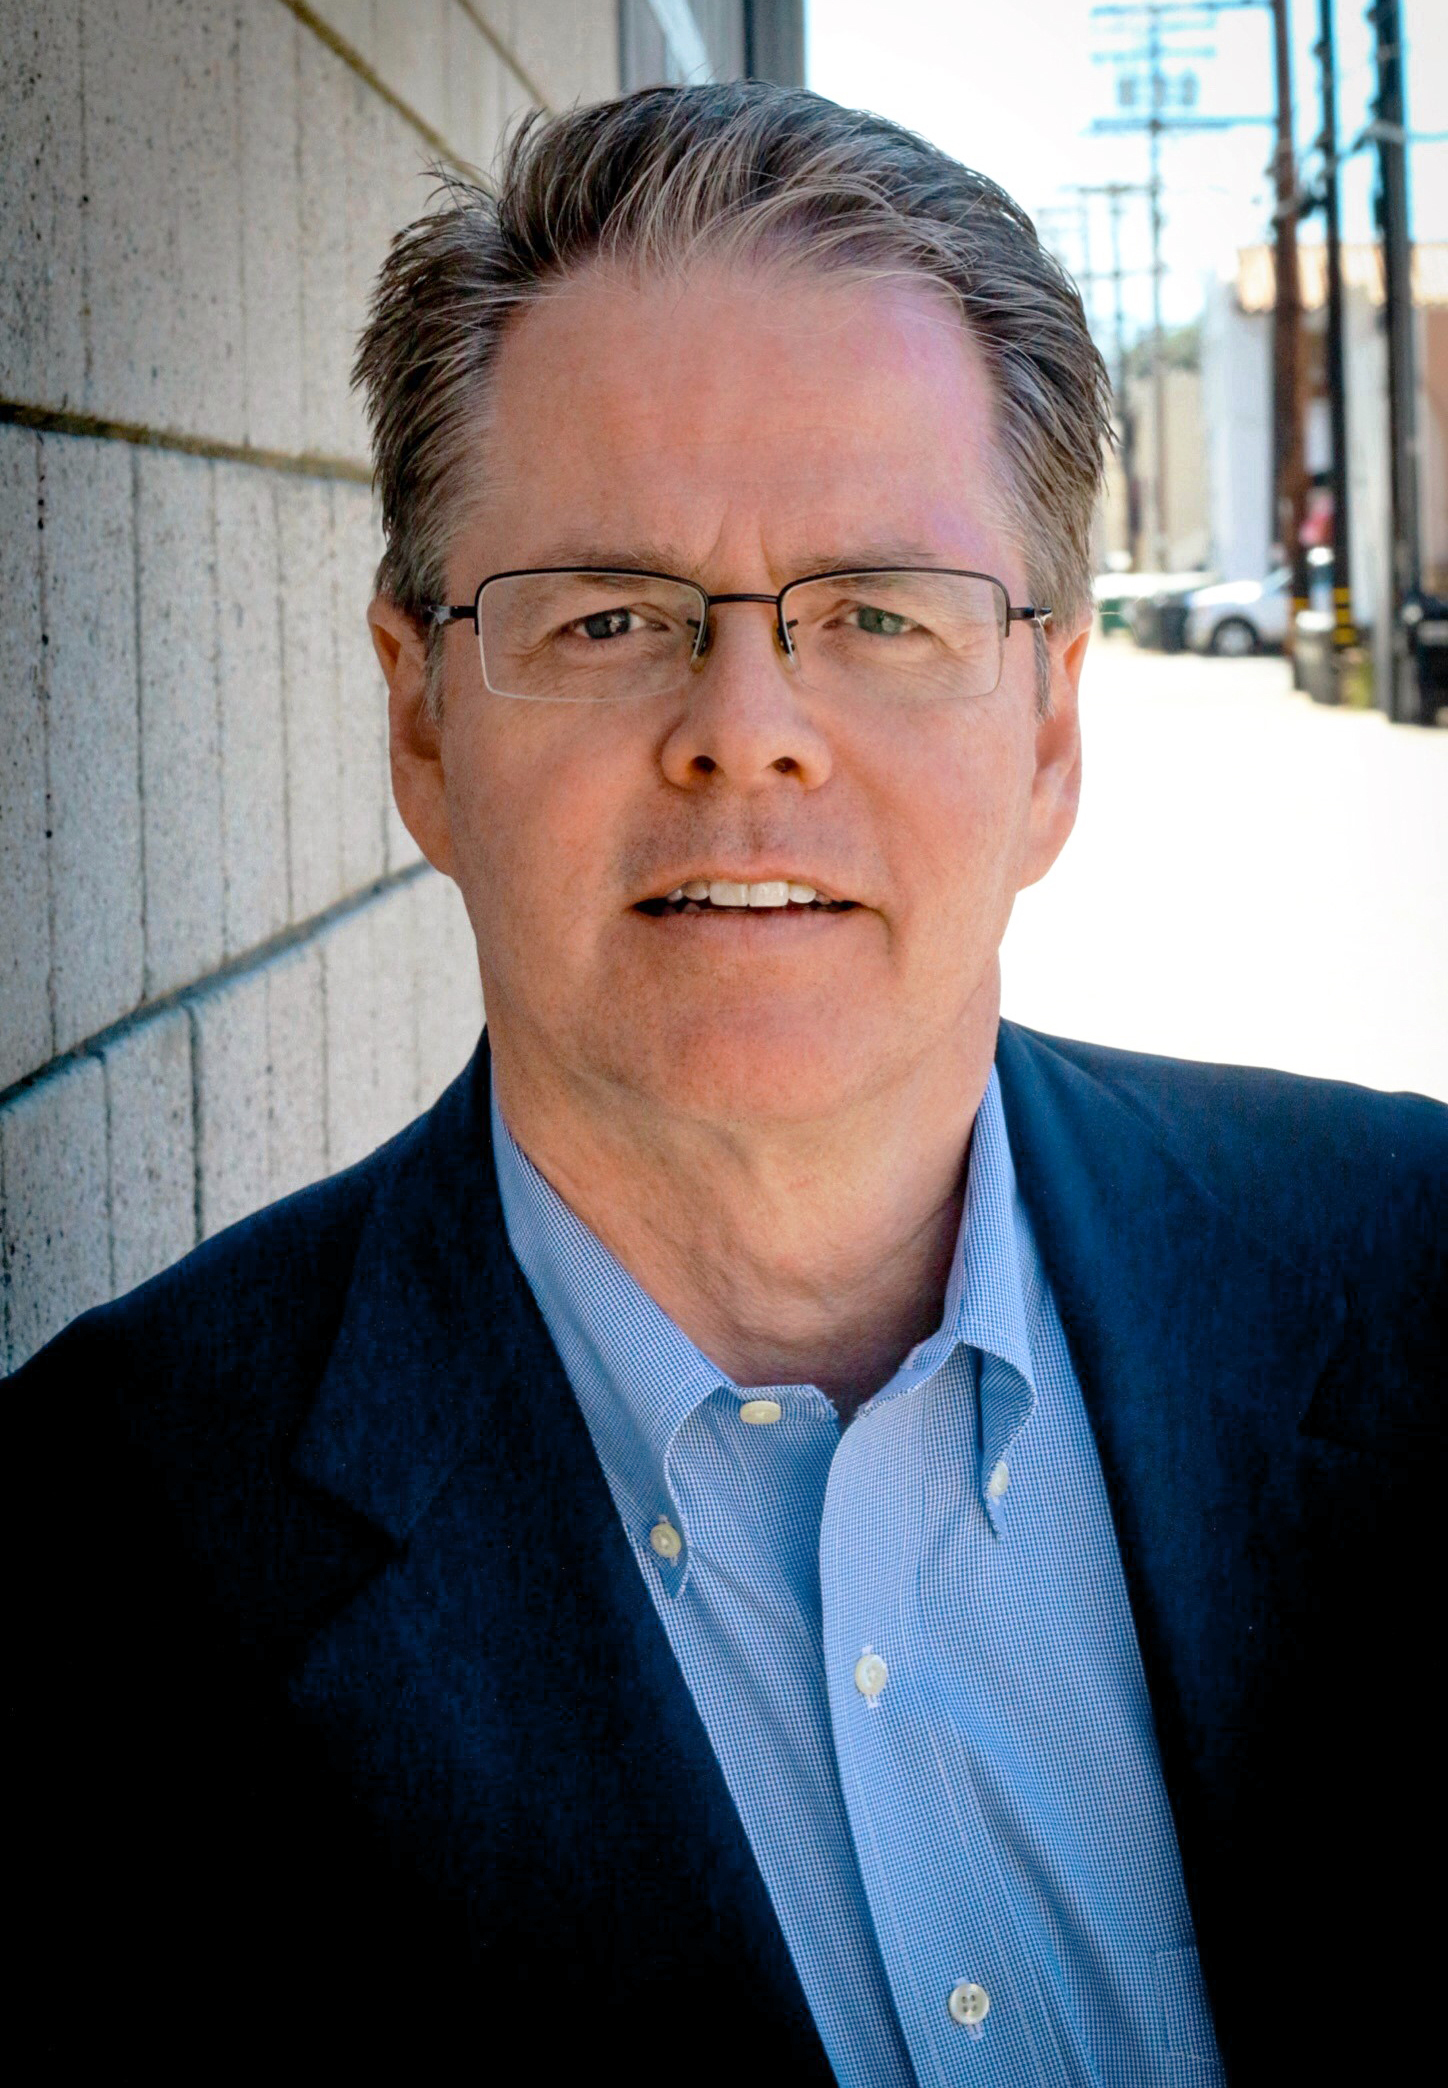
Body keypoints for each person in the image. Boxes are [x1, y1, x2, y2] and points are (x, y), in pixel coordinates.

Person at [12, 84, 1441, 2085]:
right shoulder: (96, 1547)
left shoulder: (1415, 1267)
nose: (746, 730)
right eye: (610, 617)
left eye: (878, 613)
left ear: (1049, 736)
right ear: (420, 724)